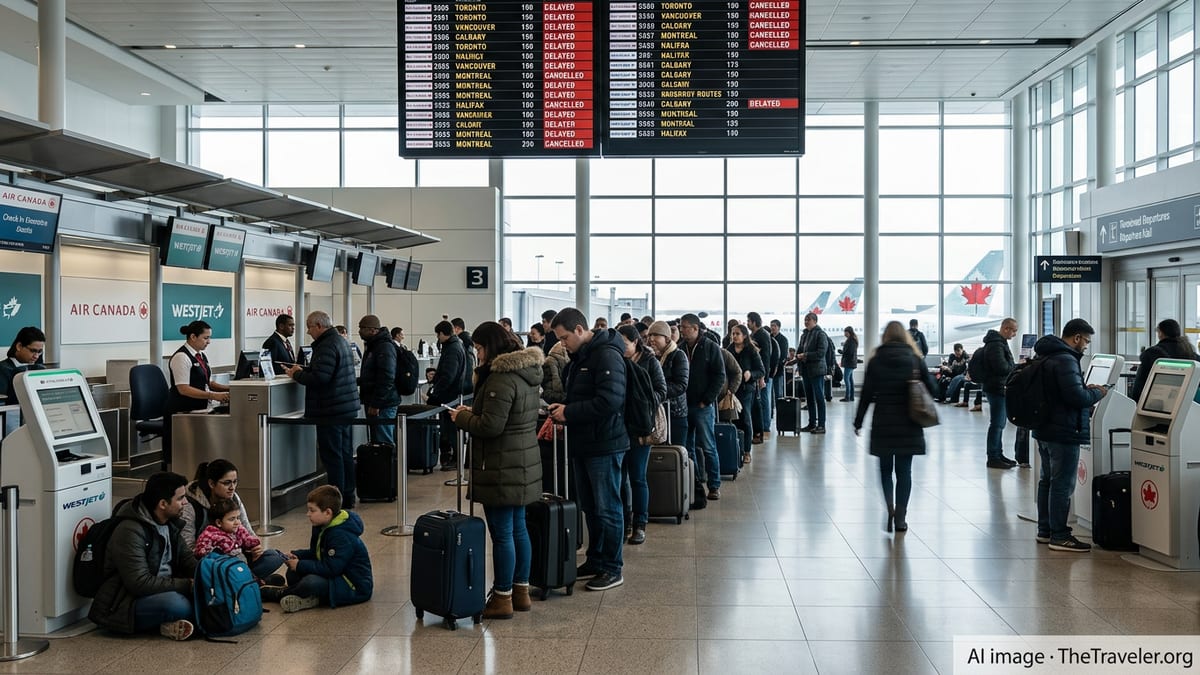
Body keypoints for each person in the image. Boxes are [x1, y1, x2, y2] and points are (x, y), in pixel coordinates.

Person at [448, 322, 543, 618]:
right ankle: (520, 592)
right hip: (521, 463)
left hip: (501, 465)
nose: (476, 354)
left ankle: (502, 597)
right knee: (518, 529)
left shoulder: (501, 379)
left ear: (490, 347)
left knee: (502, 534)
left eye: (478, 348)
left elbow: (491, 426)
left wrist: (462, 418)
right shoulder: (527, 374)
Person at [547, 307, 627, 591]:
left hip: (605, 443)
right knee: (591, 508)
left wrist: (569, 412)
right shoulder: (582, 356)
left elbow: (610, 401)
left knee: (608, 508)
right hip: (584, 442)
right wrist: (563, 413)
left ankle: (613, 566)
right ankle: (596, 559)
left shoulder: (606, 355)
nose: (563, 344)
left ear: (580, 330)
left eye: (565, 337)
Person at [88, 472, 198, 640]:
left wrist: (209, 573)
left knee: (203, 595)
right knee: (178, 605)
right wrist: (186, 585)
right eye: (180, 498)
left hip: (162, 588)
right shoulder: (130, 531)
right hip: (124, 603)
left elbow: (187, 559)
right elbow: (139, 583)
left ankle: (165, 625)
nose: (186, 502)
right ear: (163, 503)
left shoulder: (169, 523)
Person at [853, 322, 936, 534]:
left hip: (883, 423)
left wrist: (858, 421)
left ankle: (889, 506)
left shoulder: (876, 360)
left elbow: (866, 395)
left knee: (884, 470)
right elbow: (933, 389)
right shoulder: (915, 360)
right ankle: (901, 516)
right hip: (909, 423)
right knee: (904, 471)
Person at [1032, 319, 1108, 552]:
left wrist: (1084, 390)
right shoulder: (1066, 360)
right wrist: (1097, 393)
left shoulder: (1045, 355)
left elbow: (1060, 392)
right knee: (1062, 484)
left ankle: (1045, 530)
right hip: (1063, 430)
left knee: (1047, 480)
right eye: (1086, 340)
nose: (1086, 346)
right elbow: (1076, 398)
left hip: (1045, 428)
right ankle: (1060, 535)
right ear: (1076, 338)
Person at [286, 312, 360, 506]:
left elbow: (321, 378)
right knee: (344, 454)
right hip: (344, 407)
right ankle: (348, 496)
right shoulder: (340, 341)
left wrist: (298, 375)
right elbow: (327, 372)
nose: (308, 332)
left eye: (309, 327)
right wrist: (304, 370)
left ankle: (336, 501)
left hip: (331, 410)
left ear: (319, 326)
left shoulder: (327, 345)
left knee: (333, 456)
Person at [263, 486, 373, 612]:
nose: (307, 514)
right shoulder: (322, 525)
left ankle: (280, 593)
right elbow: (317, 553)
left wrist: (300, 565)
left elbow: (331, 568)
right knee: (292, 573)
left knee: (310, 582)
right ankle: (310, 598)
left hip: (352, 586)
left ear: (327, 512)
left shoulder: (341, 536)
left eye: (312, 510)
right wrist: (297, 555)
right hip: (334, 575)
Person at [179, 458, 286, 582]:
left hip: (237, 555)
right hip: (210, 563)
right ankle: (254, 582)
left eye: (235, 482)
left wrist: (254, 548)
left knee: (274, 557)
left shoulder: (233, 498)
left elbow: (247, 530)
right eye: (227, 483)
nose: (232, 487)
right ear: (212, 484)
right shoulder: (190, 506)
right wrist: (220, 554)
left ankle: (245, 581)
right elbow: (187, 549)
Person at [616, 324, 666, 546]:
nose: (621, 347)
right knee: (619, 478)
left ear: (635, 342)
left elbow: (661, 390)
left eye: (624, 343)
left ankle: (640, 524)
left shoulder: (650, 361)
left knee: (637, 476)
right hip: (618, 427)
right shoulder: (616, 360)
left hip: (641, 426)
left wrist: (642, 403)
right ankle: (625, 521)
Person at [163, 320, 230, 467]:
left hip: (199, 409)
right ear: (193, 337)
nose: (209, 342)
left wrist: (229, 389)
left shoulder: (201, 356)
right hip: (181, 411)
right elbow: (183, 388)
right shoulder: (182, 357)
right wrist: (213, 395)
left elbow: (209, 382)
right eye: (205, 338)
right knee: (179, 456)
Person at [678, 313, 725, 500]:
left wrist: (707, 399)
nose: (681, 330)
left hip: (703, 406)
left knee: (708, 446)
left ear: (696, 328)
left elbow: (719, 376)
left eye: (685, 327)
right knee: (687, 448)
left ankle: (714, 485)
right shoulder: (680, 348)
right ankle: (695, 482)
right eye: (681, 327)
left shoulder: (710, 347)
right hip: (684, 406)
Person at [427, 320, 467, 471]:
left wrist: (436, 393)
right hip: (453, 393)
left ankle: (455, 459)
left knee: (450, 428)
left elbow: (448, 375)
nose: (438, 338)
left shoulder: (452, 349)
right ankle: (454, 457)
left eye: (438, 335)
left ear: (443, 333)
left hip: (449, 396)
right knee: (451, 428)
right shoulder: (456, 345)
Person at [980, 318, 1019, 469]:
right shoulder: (996, 345)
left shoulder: (999, 343)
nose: (1015, 334)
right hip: (996, 388)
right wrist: (1014, 366)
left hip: (997, 387)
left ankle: (998, 453)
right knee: (997, 424)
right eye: (1013, 330)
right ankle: (993, 457)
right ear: (1005, 329)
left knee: (999, 423)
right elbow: (1001, 367)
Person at [1129, 319, 1199, 401]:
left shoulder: (1152, 353)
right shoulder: (1189, 352)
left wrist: (1136, 402)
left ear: (1161, 333)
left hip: (1159, 401)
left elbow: (1140, 382)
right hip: (1188, 401)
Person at [357, 314, 400, 445]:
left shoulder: (383, 347)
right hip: (377, 401)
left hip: (384, 404)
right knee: (377, 441)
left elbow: (387, 377)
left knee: (384, 442)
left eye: (362, 328)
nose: (359, 331)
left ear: (372, 330)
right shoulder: (373, 346)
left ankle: (388, 465)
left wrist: (376, 403)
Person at [647, 320, 690, 452]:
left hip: (675, 413)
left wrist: (657, 393)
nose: (651, 339)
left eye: (656, 335)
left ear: (666, 338)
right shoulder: (649, 357)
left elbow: (681, 385)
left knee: (677, 452)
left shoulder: (678, 355)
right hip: (655, 413)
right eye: (650, 336)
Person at [727, 324, 764, 466]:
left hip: (747, 389)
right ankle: (736, 449)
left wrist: (751, 374)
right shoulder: (729, 350)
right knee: (733, 419)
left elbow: (761, 370)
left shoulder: (751, 350)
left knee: (746, 419)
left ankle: (747, 451)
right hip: (732, 390)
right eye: (733, 333)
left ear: (744, 335)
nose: (734, 336)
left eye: (737, 333)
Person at [797, 312, 831, 434]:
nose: (806, 322)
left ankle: (821, 425)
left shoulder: (820, 334)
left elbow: (821, 353)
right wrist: (796, 359)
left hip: (817, 371)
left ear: (815, 321)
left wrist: (805, 355)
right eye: (805, 320)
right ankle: (812, 423)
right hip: (806, 370)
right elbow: (800, 350)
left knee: (819, 397)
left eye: (809, 320)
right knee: (809, 398)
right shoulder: (804, 335)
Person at [746, 313, 776, 443]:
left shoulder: (762, 335)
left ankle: (765, 428)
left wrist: (762, 376)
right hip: (758, 374)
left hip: (761, 374)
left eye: (748, 321)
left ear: (754, 322)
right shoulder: (755, 335)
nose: (747, 323)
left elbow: (765, 357)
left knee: (763, 401)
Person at [0, 325, 46, 406]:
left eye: (39, 352)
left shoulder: (40, 369)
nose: (36, 356)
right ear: (19, 346)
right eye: (33, 351)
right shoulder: (3, 370)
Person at [770, 319, 789, 401]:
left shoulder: (783, 339)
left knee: (778, 393)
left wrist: (777, 365)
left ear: (779, 327)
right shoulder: (768, 338)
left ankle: (780, 412)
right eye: (771, 325)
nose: (772, 327)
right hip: (769, 370)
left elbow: (783, 355)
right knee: (769, 393)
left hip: (778, 370)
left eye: (774, 326)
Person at [839, 327, 859, 402]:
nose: (844, 334)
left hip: (849, 363)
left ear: (849, 332)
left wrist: (842, 352)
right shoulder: (852, 340)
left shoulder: (851, 341)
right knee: (850, 380)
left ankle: (847, 397)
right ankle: (851, 397)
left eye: (845, 332)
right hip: (851, 362)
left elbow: (849, 352)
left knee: (846, 379)